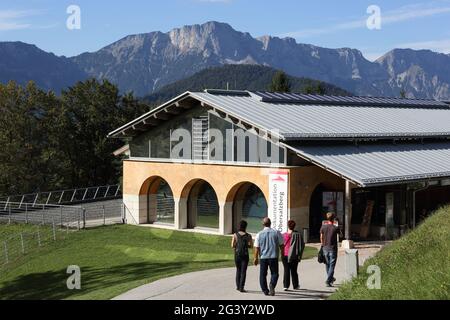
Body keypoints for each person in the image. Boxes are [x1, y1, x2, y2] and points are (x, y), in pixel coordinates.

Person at [254, 217, 284, 296]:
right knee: (275, 273)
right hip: (273, 256)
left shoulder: (259, 234)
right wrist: (282, 254)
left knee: (263, 274)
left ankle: (265, 290)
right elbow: (281, 245)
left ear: (263, 224)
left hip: (263, 257)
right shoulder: (276, 232)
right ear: (270, 223)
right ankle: (272, 285)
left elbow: (257, 247)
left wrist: (255, 258)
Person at [282, 220, 305, 291]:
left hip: (285, 254)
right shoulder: (298, 235)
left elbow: (281, 244)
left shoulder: (284, 235)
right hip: (294, 254)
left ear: (288, 226)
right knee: (294, 270)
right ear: (294, 226)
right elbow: (302, 245)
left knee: (286, 270)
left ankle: (286, 285)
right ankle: (295, 285)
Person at [231, 220, 253, 293]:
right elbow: (251, 246)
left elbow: (232, 245)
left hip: (237, 255)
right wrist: (246, 245)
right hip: (245, 255)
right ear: (245, 226)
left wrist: (236, 246)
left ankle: (237, 286)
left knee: (238, 270)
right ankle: (241, 287)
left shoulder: (235, 234)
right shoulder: (248, 236)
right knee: (243, 272)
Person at [320, 212, 339, 287]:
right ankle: (328, 280)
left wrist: (322, 244)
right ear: (333, 219)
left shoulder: (323, 227)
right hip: (333, 248)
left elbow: (321, 237)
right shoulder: (335, 228)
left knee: (327, 264)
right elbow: (341, 235)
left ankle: (330, 278)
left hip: (325, 247)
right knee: (332, 265)